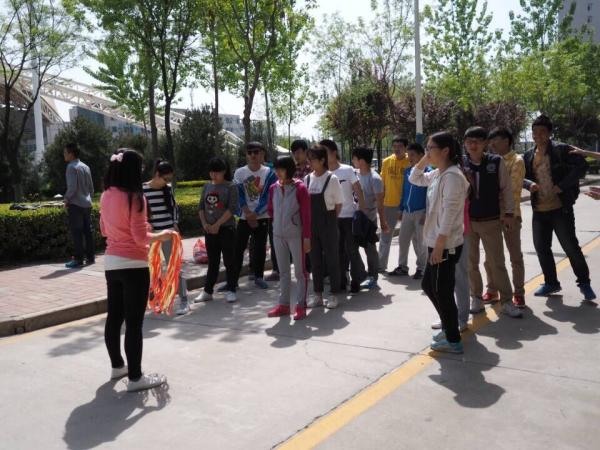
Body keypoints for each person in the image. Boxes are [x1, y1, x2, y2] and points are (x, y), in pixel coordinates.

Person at [100, 149, 172, 392]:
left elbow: (104, 230)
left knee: (114, 318)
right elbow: (140, 238)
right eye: (140, 168)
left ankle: (117, 366)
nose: (142, 172)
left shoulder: (106, 195)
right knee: (134, 323)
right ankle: (135, 377)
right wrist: (161, 234)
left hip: (111, 263)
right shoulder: (136, 198)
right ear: (132, 170)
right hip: (134, 265)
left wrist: (139, 228)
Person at [523, 115, 596, 301]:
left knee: (570, 247)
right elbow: (520, 176)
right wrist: (528, 184)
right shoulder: (528, 155)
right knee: (542, 248)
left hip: (560, 208)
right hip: (539, 209)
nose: (538, 135)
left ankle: (584, 283)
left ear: (549, 133)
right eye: (535, 132)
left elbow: (582, 166)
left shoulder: (561, 149)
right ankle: (551, 283)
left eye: (542, 132)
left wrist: (562, 186)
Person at [409, 132, 470, 354]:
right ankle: (448, 325)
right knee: (430, 286)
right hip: (436, 240)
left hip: (445, 243)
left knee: (442, 291)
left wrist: (440, 244)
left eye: (430, 148)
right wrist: (425, 159)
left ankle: (453, 338)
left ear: (445, 151)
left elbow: (450, 213)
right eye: (426, 148)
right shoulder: (438, 174)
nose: (427, 152)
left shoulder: (453, 177)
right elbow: (414, 178)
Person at [462, 126, 522, 319]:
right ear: (465, 144)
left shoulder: (496, 162)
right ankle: (476, 298)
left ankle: (506, 301)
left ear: (485, 144)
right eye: (469, 141)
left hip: (491, 221)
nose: (473, 145)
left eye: (477, 141)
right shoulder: (461, 163)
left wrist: (509, 213)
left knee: (497, 263)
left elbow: (506, 189)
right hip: (468, 222)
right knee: (471, 263)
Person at [267, 156, 311, 320]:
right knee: (283, 272)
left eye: (281, 169)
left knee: (300, 272)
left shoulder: (300, 188)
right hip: (278, 235)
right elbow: (270, 209)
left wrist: (307, 237)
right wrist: (277, 225)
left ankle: (301, 305)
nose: (278, 172)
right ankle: (284, 305)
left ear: (289, 170)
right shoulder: (273, 188)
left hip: (296, 236)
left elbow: (306, 215)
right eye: (276, 169)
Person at [143, 160, 190, 315]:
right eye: (166, 178)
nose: (167, 182)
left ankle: (184, 300)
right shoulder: (143, 189)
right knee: (153, 268)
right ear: (157, 174)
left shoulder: (168, 189)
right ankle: (156, 299)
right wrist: (147, 225)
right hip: (152, 235)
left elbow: (174, 207)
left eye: (169, 179)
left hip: (168, 233)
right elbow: (140, 212)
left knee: (174, 266)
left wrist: (175, 223)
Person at [488, 127, 527, 308]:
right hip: (491, 216)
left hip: (510, 216)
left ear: (506, 141)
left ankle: (518, 293)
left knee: (515, 256)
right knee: (491, 256)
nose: (492, 144)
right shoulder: (491, 161)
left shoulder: (517, 161)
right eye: (491, 141)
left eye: (495, 140)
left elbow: (510, 189)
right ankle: (492, 289)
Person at [322, 140, 367, 294]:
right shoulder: (322, 173)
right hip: (331, 219)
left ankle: (356, 281)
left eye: (326, 152)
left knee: (352, 250)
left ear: (334, 152)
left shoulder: (347, 170)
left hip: (348, 216)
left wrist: (361, 211)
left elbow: (358, 190)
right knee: (337, 252)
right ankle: (341, 280)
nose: (323, 156)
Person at [232, 141, 278, 290]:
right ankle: (233, 280)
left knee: (260, 248)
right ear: (246, 155)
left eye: (256, 152)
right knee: (238, 248)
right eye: (249, 152)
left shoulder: (269, 173)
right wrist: (247, 213)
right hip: (244, 217)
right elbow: (238, 194)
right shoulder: (239, 173)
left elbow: (269, 196)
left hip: (262, 217)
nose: (253, 155)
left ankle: (259, 277)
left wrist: (256, 213)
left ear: (262, 153)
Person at [305, 146, 344, 309]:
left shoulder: (332, 179)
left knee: (332, 259)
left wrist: (330, 221)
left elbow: (339, 204)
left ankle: (334, 294)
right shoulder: (307, 179)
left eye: (313, 158)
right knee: (315, 260)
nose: (310, 162)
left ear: (322, 160)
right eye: (309, 158)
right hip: (311, 224)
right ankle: (318, 295)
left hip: (328, 222)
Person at [196, 157, 239, 304]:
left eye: (217, 172)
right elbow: (201, 207)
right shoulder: (207, 186)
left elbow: (232, 209)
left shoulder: (230, 187)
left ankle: (231, 289)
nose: (214, 175)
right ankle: (208, 291)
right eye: (211, 172)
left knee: (229, 261)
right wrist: (205, 224)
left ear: (224, 171)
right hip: (209, 230)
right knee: (213, 262)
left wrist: (217, 225)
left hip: (226, 229)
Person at [352, 147, 390, 290]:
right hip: (354, 218)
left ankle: (373, 277)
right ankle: (361, 274)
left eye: (354, 159)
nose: (353, 161)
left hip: (368, 219)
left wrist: (383, 222)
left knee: (370, 249)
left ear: (361, 161)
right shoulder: (354, 175)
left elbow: (380, 203)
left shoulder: (375, 179)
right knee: (351, 248)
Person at [389, 143, 428, 280]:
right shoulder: (407, 171)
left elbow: (430, 196)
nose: (409, 158)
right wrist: (401, 208)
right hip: (407, 211)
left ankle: (422, 268)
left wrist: (426, 213)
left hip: (421, 212)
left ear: (421, 156)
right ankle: (402, 267)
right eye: (408, 155)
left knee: (421, 242)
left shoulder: (429, 172)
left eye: (413, 155)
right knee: (403, 239)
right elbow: (404, 191)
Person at [379, 137, 411, 272]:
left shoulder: (411, 161)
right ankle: (381, 266)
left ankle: (403, 266)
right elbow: (382, 184)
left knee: (406, 238)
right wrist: (380, 203)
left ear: (405, 148)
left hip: (407, 205)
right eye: (395, 146)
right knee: (385, 236)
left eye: (400, 146)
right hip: (389, 204)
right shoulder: (386, 162)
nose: (397, 149)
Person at [64, 143, 95, 269]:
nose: (64, 155)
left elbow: (72, 187)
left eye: (65, 152)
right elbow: (91, 187)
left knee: (77, 232)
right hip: (87, 204)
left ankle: (78, 259)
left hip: (75, 204)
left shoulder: (71, 167)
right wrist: (89, 199)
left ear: (71, 154)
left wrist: (66, 199)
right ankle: (90, 257)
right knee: (88, 231)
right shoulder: (85, 166)